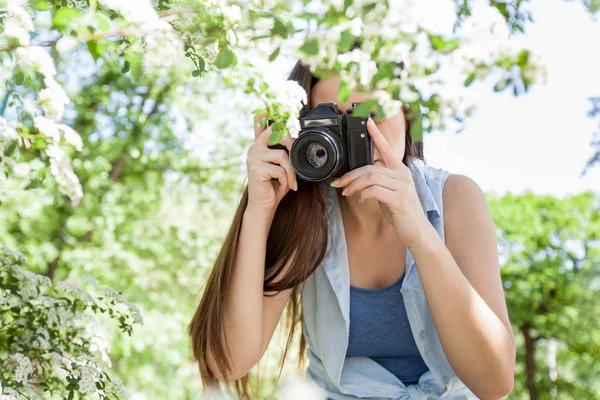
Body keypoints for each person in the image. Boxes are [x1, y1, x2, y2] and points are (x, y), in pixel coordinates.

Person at [188, 60, 516, 400]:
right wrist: (259, 210)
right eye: (334, 117)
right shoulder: (304, 211)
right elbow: (227, 364)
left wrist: (420, 235)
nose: (358, 132)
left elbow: (495, 383)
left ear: (407, 117)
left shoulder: (456, 199)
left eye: (372, 114)